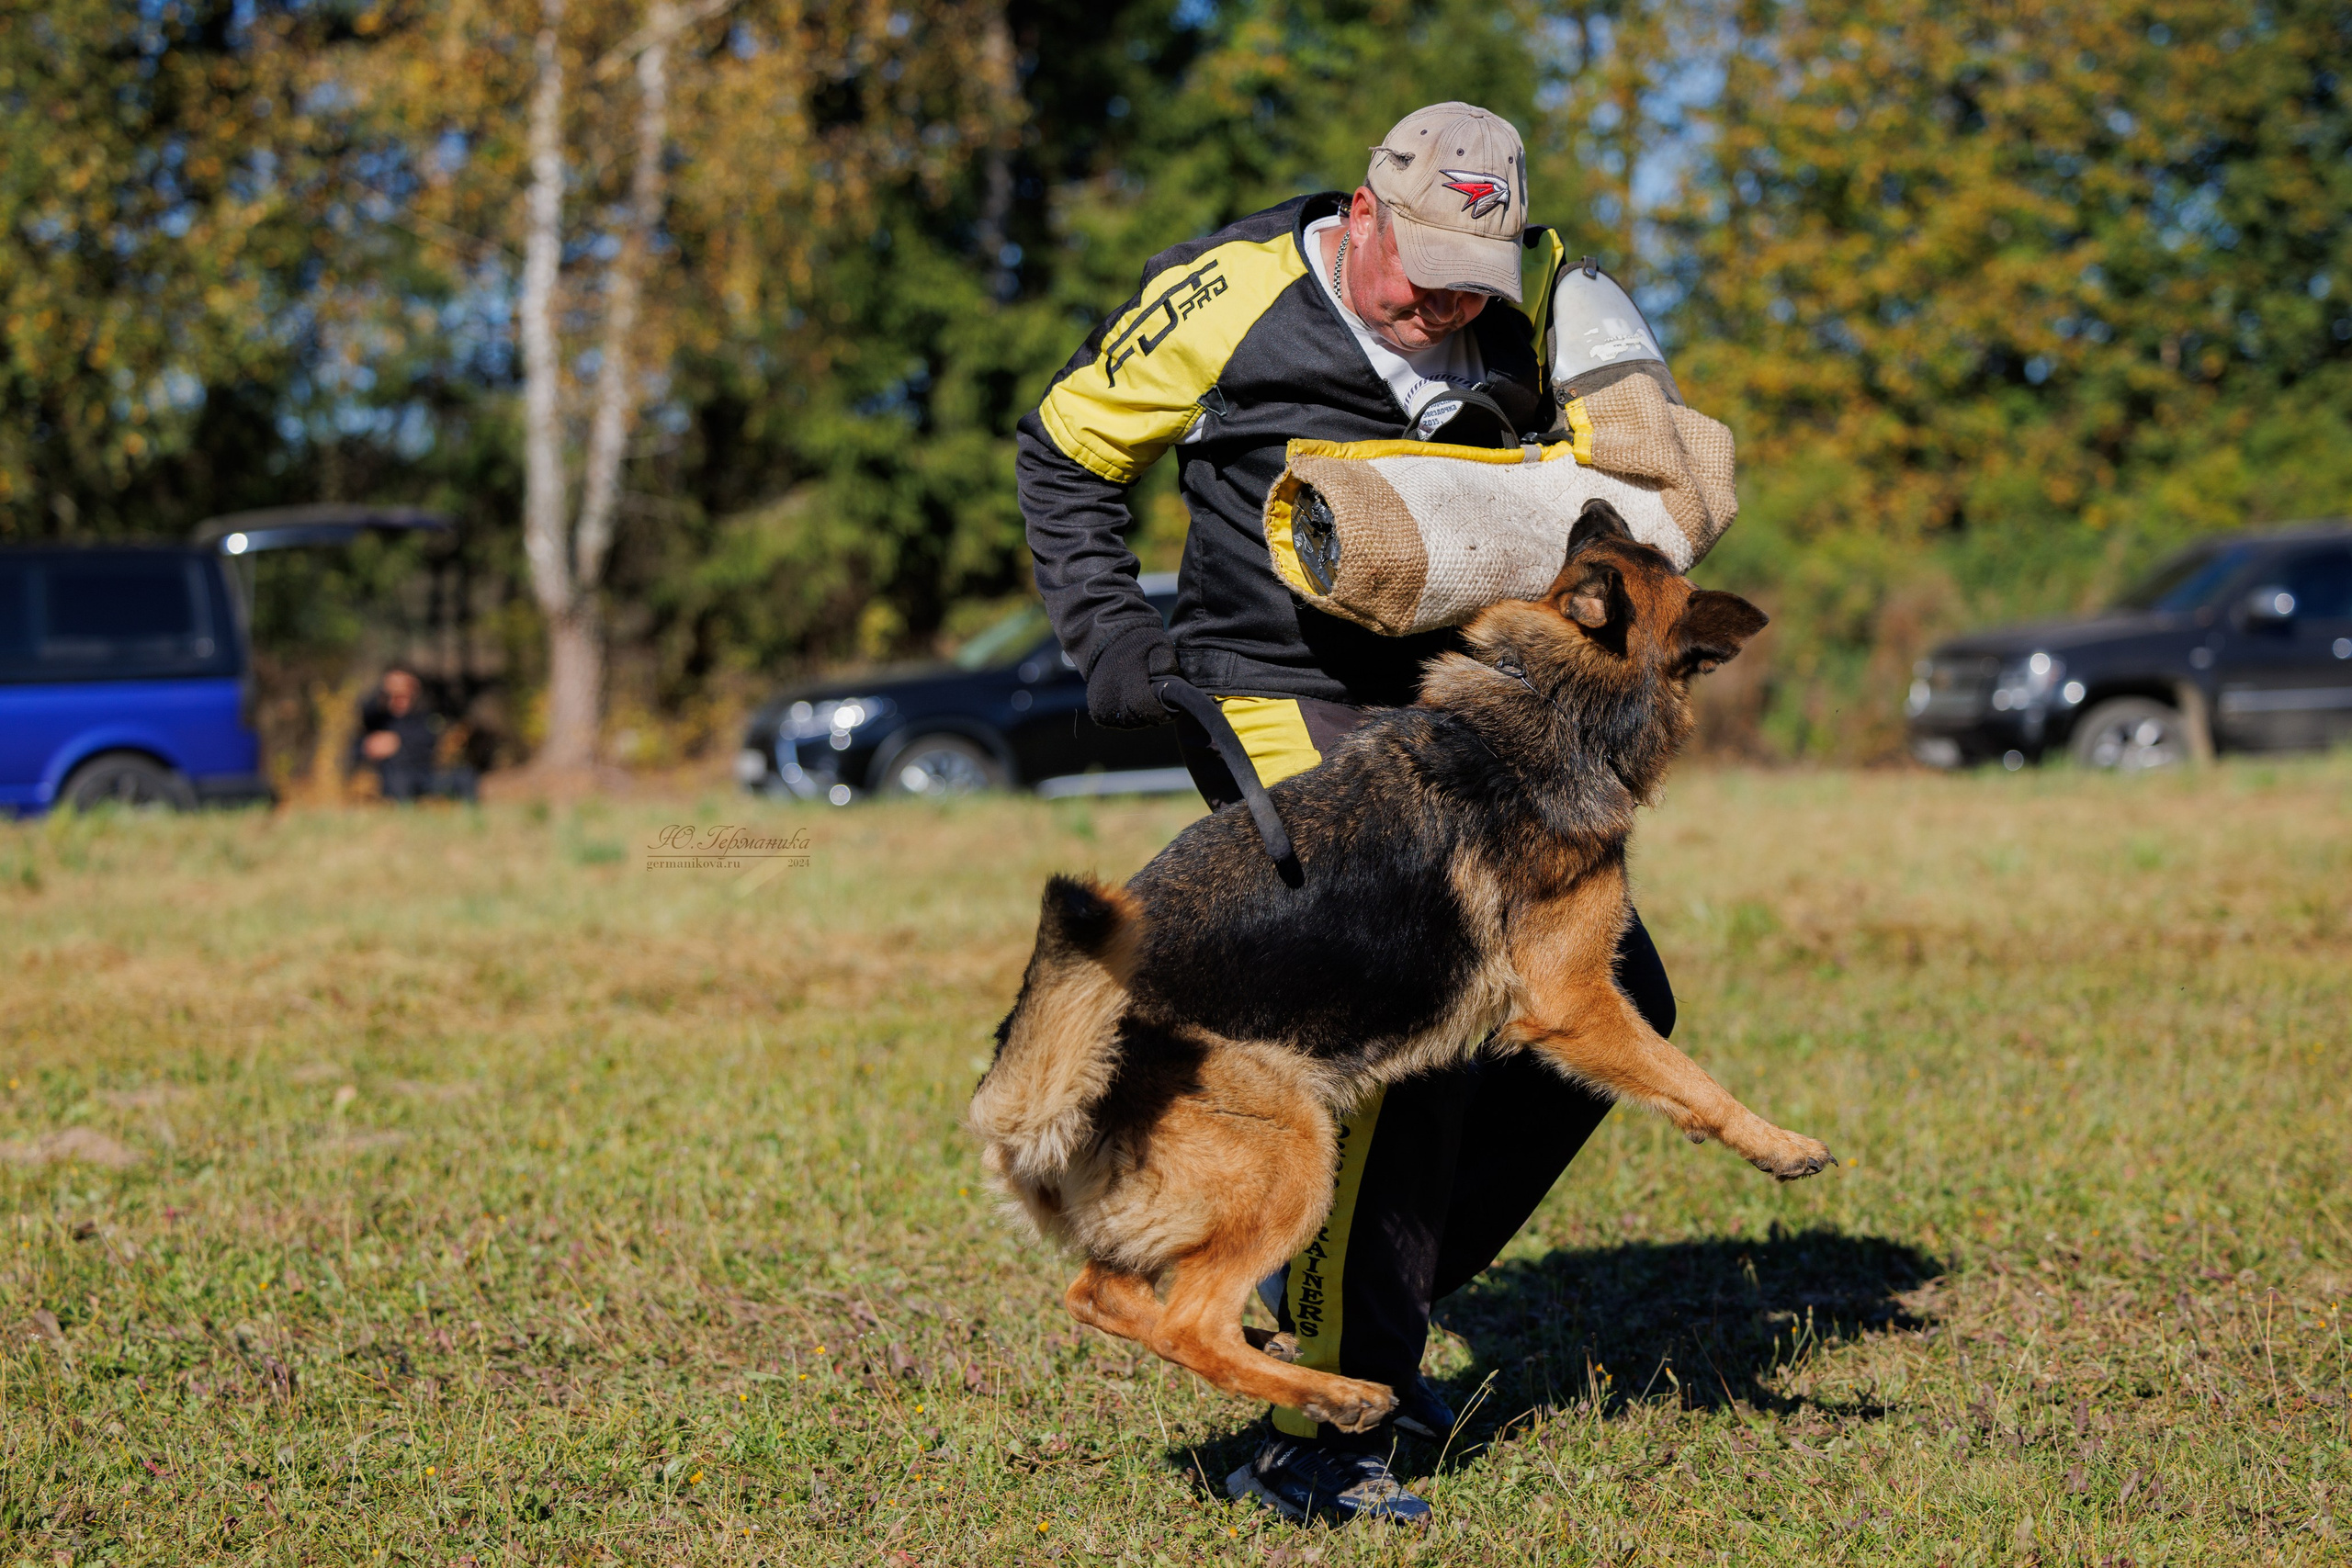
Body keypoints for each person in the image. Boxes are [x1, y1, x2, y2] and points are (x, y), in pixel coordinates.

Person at [1016, 103, 1678, 1526]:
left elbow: (1633, 451)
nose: (1449, 305)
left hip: (1460, 701)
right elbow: (1063, 453)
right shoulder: (1234, 293)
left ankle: (1368, 1286)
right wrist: (1117, 647)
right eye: (1424, 265)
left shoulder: (1545, 290)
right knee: (1414, 1031)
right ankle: (1328, 1426)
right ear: (1365, 213)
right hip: (1273, 692)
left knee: (1630, 1003)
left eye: (1477, 279)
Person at [350, 668, 478, 803]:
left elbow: (428, 738)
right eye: (394, 696)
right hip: (395, 778)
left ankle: (470, 815)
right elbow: (365, 712)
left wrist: (397, 741)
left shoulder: (424, 715)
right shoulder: (380, 719)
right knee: (399, 781)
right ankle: (402, 816)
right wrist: (384, 688)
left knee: (465, 776)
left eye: (403, 695)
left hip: (425, 775)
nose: (399, 701)